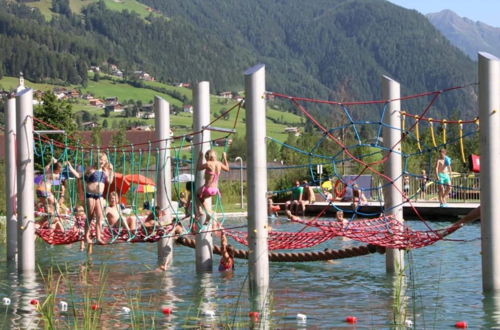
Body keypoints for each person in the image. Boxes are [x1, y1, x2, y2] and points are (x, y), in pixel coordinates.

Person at [65, 153, 114, 248]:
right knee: (90, 217)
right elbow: (79, 176)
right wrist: (70, 168)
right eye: (100, 159)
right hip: (90, 195)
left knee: (100, 217)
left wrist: (111, 170)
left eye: (103, 160)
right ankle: (86, 236)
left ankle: (98, 237)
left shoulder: (106, 171)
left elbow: (110, 181)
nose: (101, 162)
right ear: (97, 160)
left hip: (99, 196)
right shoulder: (91, 169)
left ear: (105, 161)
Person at [196, 150, 229, 220]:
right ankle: (206, 213)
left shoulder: (208, 164)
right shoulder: (219, 163)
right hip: (215, 190)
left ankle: (204, 211)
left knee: (198, 195)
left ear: (208, 157)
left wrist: (200, 157)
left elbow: (198, 168)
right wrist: (225, 158)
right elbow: (227, 169)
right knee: (202, 199)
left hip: (207, 189)